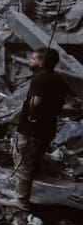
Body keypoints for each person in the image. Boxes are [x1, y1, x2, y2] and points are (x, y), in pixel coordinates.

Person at [12, 48, 68, 208]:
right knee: (33, 161)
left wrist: (32, 116)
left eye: (33, 58)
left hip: (31, 129)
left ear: (42, 62)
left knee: (23, 163)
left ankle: (21, 201)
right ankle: (23, 194)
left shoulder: (39, 79)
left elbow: (35, 102)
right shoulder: (59, 80)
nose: (30, 60)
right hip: (48, 128)